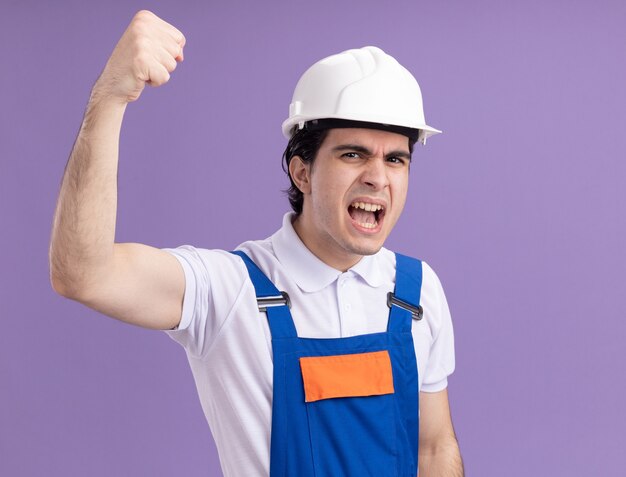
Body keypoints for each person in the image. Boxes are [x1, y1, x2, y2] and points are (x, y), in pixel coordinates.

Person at [49, 9, 464, 477]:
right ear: (302, 171)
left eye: (396, 159)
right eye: (353, 154)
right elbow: (83, 273)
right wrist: (110, 97)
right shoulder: (228, 291)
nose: (377, 178)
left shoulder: (417, 291)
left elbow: (433, 449)